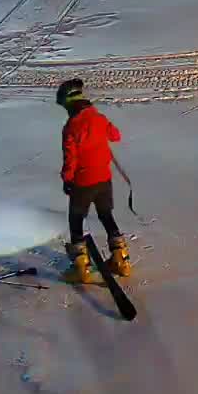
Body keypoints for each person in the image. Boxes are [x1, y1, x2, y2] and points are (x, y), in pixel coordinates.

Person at [56, 79, 131, 283]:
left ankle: (81, 267)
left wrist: (67, 179)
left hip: (83, 182)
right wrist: (102, 130)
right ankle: (121, 260)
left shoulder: (71, 127)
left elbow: (70, 159)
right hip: (104, 180)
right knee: (106, 215)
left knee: (76, 220)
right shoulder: (99, 118)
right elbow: (115, 136)